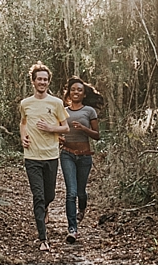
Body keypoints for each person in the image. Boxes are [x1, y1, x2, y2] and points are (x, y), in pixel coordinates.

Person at [19, 61, 68, 252]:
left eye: (45, 79)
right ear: (33, 81)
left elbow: (65, 127)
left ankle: (46, 208)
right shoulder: (25, 104)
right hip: (32, 157)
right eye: (39, 79)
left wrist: (51, 128)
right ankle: (43, 238)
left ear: (49, 82)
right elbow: (23, 123)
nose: (42, 82)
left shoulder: (56, 103)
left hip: (51, 155)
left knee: (49, 195)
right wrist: (23, 137)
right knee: (38, 196)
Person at [59, 75, 103, 244]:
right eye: (73, 89)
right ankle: (72, 229)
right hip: (67, 154)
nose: (76, 92)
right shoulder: (63, 111)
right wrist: (60, 139)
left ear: (84, 94)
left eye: (79, 90)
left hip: (84, 156)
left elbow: (97, 136)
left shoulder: (89, 111)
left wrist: (84, 128)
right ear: (69, 93)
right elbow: (59, 132)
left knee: (80, 192)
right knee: (71, 192)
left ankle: (82, 207)